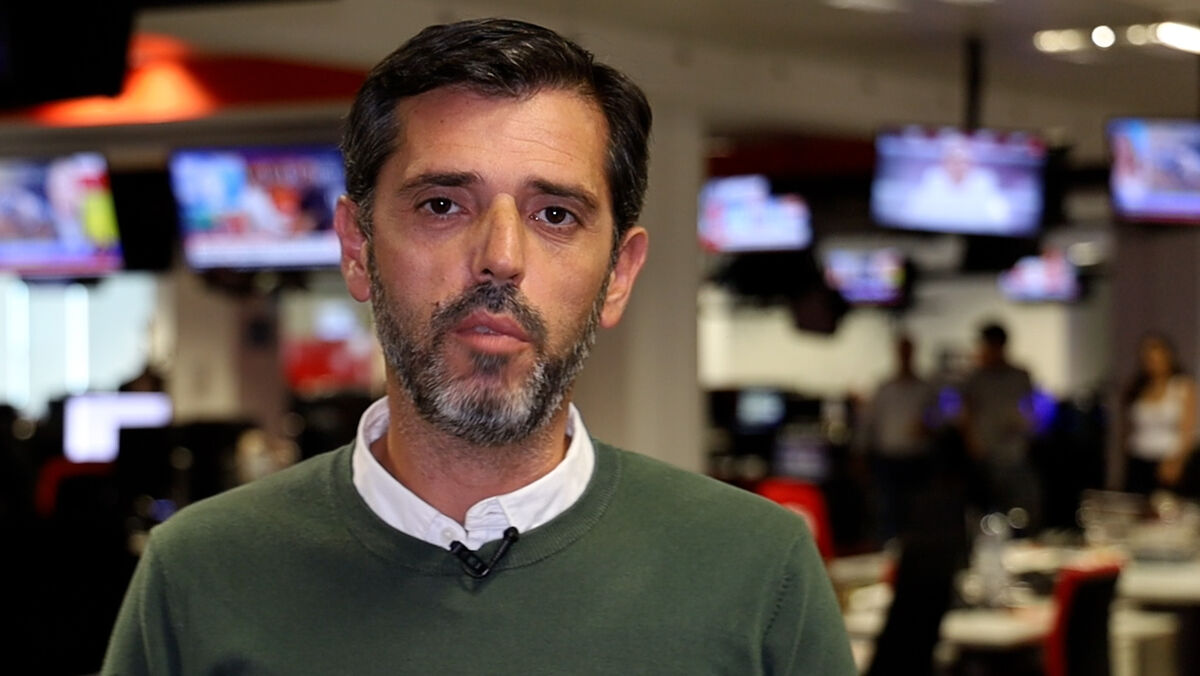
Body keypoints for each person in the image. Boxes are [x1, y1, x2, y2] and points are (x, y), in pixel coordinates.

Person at [101, 19, 854, 675]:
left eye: (554, 215)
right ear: (358, 249)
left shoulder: (758, 571)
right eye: (442, 205)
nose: (500, 257)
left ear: (619, 275)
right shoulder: (199, 573)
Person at [857, 334, 937, 543]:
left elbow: (937, 419)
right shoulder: (884, 388)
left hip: (917, 459)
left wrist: (928, 426)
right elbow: (869, 423)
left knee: (917, 512)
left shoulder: (925, 389)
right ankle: (889, 550)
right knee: (888, 511)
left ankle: (917, 550)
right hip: (888, 459)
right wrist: (861, 454)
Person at [959, 322, 1038, 527]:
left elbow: (1030, 410)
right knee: (985, 516)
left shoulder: (1020, 375)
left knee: (1020, 512)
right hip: (985, 455)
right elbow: (966, 413)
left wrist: (1024, 426)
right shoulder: (976, 379)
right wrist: (972, 442)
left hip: (1014, 453)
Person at [1122, 332, 1198, 495]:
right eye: (1148, 358)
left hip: (1167, 459)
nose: (1153, 362)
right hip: (1139, 459)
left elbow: (1188, 429)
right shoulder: (1137, 388)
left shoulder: (1181, 386)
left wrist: (1177, 461)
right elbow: (1128, 428)